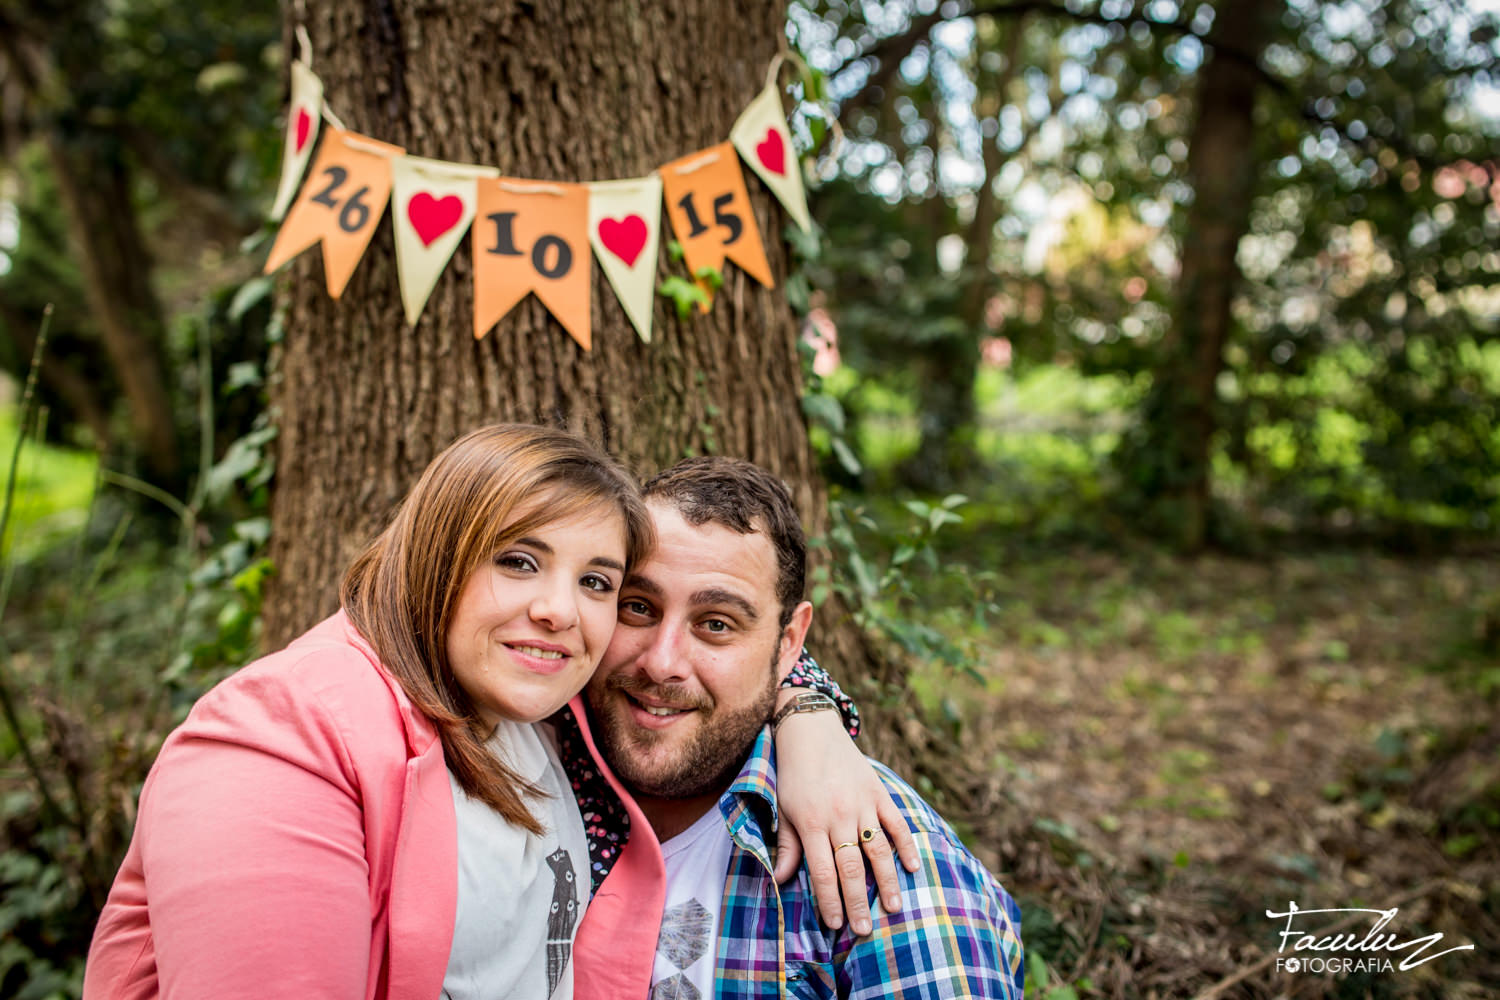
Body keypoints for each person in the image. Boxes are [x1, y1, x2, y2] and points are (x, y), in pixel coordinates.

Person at [82, 424, 911, 1000]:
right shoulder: (282, 740)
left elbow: (716, 663)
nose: (559, 610)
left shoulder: (546, 714)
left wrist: (811, 712)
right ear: (439, 555)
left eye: (596, 582)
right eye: (518, 561)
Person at [581, 456, 1027, 999]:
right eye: (637, 607)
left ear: (790, 643)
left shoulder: (877, 857)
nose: (661, 661)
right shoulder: (534, 767)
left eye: (716, 624)